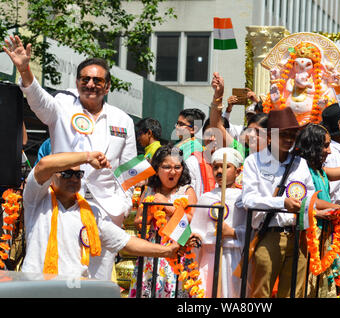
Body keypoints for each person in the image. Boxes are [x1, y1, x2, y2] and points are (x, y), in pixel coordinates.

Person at [4, 36, 137, 280]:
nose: (90, 84)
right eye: (85, 79)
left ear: (107, 87)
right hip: (64, 204)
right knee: (60, 273)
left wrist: (124, 205)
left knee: (97, 281)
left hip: (105, 213)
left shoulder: (123, 120)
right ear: (77, 83)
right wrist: (24, 70)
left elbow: (129, 173)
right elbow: (39, 102)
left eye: (97, 80)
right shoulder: (63, 105)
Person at [21, 151, 197, 278]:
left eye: (78, 174)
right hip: (36, 285)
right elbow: (43, 165)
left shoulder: (90, 212)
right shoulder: (37, 199)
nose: (74, 179)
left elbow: (124, 242)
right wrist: (88, 157)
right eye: (67, 173)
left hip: (74, 288)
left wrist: (165, 251)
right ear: (52, 177)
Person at [241, 107, 340, 298]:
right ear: (271, 136)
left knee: (294, 294)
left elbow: (311, 198)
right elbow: (249, 199)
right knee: (261, 293)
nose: (289, 139)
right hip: (269, 235)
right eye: (284, 134)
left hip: (300, 236)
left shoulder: (301, 163)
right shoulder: (253, 162)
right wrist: (282, 203)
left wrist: (333, 208)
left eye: (292, 134)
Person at [296, 117, 340, 297]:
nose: (329, 151)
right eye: (325, 146)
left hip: (325, 236)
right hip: (308, 238)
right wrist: (337, 208)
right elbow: (309, 199)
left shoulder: (322, 172)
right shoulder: (302, 170)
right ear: (313, 146)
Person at [129, 145, 197, 298]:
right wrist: (150, 213)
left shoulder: (187, 190)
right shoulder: (149, 190)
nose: (172, 172)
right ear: (157, 169)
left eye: (177, 167)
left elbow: (192, 221)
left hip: (177, 249)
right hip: (152, 249)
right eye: (166, 167)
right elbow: (138, 221)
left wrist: (166, 206)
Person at [190, 147, 246, 298]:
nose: (219, 171)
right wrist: (195, 238)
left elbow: (252, 230)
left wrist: (233, 233)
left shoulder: (243, 199)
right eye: (216, 167)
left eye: (225, 166)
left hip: (234, 256)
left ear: (238, 171)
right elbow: (197, 229)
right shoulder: (205, 198)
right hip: (209, 257)